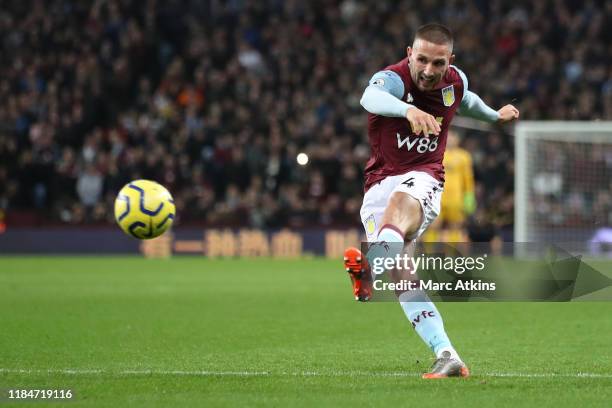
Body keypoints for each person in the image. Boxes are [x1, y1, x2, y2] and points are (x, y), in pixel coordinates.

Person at [343, 23, 519, 379]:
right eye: (421, 60)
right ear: (409, 53)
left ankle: (369, 265)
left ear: (449, 60)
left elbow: (466, 101)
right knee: (403, 276)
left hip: (424, 177)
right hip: (377, 183)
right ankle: (447, 354)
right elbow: (368, 98)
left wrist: (493, 115)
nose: (428, 70)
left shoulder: (454, 82)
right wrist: (407, 111)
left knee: (399, 207)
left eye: (438, 63)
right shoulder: (392, 80)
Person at [423, 129, 475, 243]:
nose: (450, 139)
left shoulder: (464, 156)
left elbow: (468, 179)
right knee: (433, 226)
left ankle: (451, 255)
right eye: (448, 136)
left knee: (455, 227)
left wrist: (469, 196)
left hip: (456, 198)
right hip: (438, 196)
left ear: (458, 139)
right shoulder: (436, 153)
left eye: (453, 136)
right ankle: (429, 255)